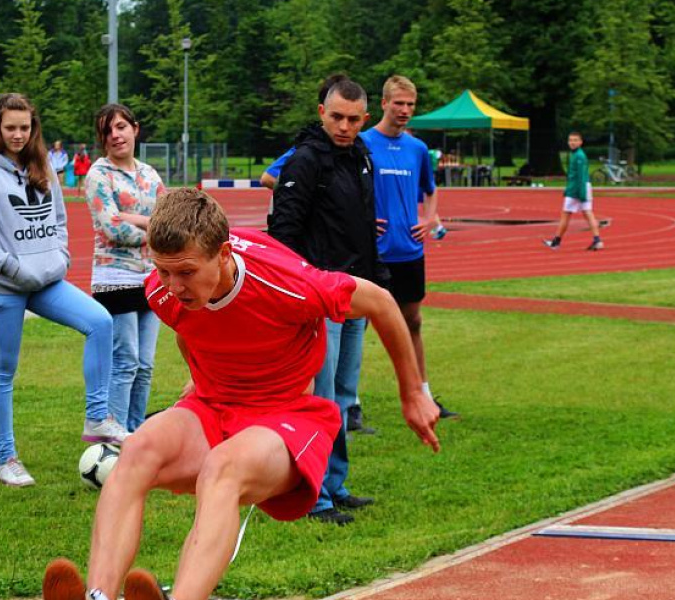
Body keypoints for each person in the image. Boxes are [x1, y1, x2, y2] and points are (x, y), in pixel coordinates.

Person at [41, 188, 439, 600]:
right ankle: (98, 595)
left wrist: (412, 393)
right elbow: (189, 332)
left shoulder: (291, 285)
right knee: (137, 449)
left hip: (288, 416)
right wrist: (200, 376)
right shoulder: (161, 291)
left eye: (187, 272)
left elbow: (382, 302)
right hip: (215, 404)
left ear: (225, 254)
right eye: (164, 270)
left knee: (221, 469)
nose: (174, 286)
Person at [0, 93, 123, 487]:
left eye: (24, 127)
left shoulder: (43, 164)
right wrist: (12, 266)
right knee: (3, 372)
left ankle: (97, 418)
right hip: (3, 286)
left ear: (34, 128)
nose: (18, 135)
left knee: (100, 322)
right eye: (10, 127)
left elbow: (60, 218)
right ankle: (7, 460)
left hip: (46, 280)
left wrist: (60, 255)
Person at [267, 78, 377, 525]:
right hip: (317, 297)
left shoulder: (361, 158)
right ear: (321, 112)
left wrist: (374, 279)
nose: (344, 126)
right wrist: (296, 293)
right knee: (322, 398)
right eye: (337, 117)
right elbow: (284, 234)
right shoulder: (305, 161)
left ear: (364, 119)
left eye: (353, 119)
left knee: (345, 397)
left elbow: (363, 224)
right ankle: (315, 497)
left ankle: (336, 483)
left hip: (355, 294)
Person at [361, 75, 457, 421]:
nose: (404, 111)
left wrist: (430, 219)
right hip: (373, 253)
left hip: (410, 252)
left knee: (413, 321)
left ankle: (425, 395)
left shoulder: (417, 149)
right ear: (384, 103)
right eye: (398, 103)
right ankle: (350, 403)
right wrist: (361, 220)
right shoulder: (362, 142)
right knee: (360, 325)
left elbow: (431, 189)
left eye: (410, 105)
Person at [84, 104, 165, 432]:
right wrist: (151, 227)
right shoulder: (97, 175)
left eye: (121, 127)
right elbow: (111, 228)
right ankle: (116, 434)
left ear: (135, 128)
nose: (115, 135)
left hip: (152, 277)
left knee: (145, 365)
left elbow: (170, 220)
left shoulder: (150, 175)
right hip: (115, 278)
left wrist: (137, 219)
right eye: (107, 131)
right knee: (125, 362)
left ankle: (136, 435)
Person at [544, 131, 603, 251]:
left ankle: (556, 242)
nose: (572, 142)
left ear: (580, 142)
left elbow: (580, 176)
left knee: (566, 214)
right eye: (570, 140)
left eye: (575, 140)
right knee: (588, 213)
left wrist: (579, 193)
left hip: (577, 188)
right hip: (580, 187)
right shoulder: (575, 154)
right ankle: (597, 240)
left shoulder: (579, 156)